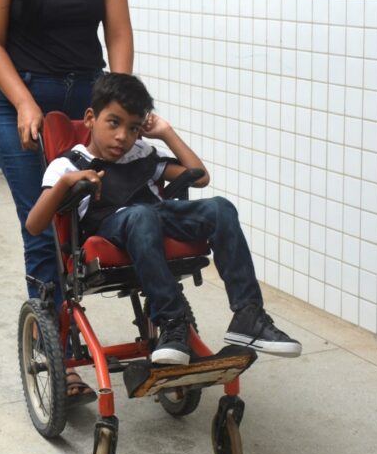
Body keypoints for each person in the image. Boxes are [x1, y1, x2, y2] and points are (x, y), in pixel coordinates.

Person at [0, 0, 134, 404]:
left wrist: (118, 101)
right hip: (25, 105)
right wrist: (22, 102)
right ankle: (61, 356)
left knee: (103, 216)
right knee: (44, 229)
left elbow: (118, 34)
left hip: (86, 103)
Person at [27, 73, 303, 366]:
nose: (123, 136)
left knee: (221, 208)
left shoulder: (142, 153)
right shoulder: (67, 165)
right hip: (110, 228)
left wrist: (166, 133)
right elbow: (34, 224)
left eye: (133, 128)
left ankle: (248, 315)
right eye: (114, 122)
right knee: (141, 215)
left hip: (157, 217)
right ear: (90, 118)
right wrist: (67, 183)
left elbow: (200, 177)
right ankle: (171, 321)